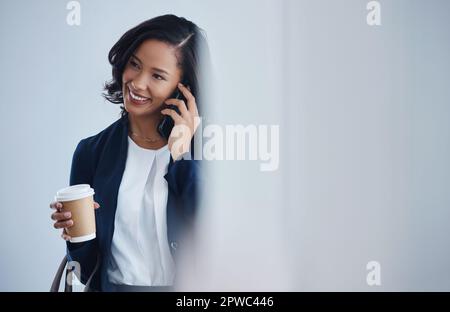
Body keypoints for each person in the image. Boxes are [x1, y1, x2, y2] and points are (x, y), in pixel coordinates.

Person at [49, 14, 208, 291]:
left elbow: (213, 242)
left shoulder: (207, 157)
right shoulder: (91, 152)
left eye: (157, 75)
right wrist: (75, 234)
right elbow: (85, 270)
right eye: (135, 64)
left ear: (183, 91)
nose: (137, 82)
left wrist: (183, 158)